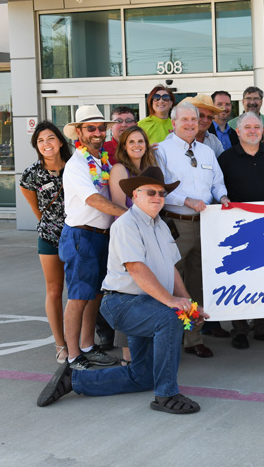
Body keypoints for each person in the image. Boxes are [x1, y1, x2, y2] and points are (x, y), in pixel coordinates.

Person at [37, 166, 209, 414]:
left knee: (141, 376)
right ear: (136, 195)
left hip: (147, 303)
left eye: (162, 193)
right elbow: (136, 269)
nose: (157, 197)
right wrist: (172, 302)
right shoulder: (126, 224)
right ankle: (166, 394)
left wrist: (190, 306)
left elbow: (171, 270)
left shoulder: (160, 225)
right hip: (122, 304)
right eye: (151, 192)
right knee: (170, 320)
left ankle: (73, 380)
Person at [156, 101, 230, 358]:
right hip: (176, 223)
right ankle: (169, 338)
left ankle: (193, 338)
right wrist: (186, 200)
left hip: (205, 225)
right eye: (184, 120)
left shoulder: (207, 152)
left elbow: (217, 182)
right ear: (174, 123)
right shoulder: (162, 151)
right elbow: (162, 187)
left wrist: (222, 198)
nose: (190, 124)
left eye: (194, 120)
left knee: (198, 283)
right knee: (171, 283)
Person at [59, 106, 126, 369]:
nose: (97, 132)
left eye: (101, 127)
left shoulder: (103, 161)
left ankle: (88, 345)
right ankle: (73, 356)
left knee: (95, 295)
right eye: (91, 128)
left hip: (102, 236)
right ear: (79, 132)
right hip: (81, 236)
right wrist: (128, 216)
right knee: (78, 297)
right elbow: (94, 199)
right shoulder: (76, 164)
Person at [218, 112, 264, 349]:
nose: (252, 130)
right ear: (237, 131)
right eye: (247, 127)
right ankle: (239, 329)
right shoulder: (225, 158)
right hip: (236, 228)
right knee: (239, 276)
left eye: (257, 126)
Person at [20, 121, 72, 364]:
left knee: (80, 292)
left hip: (78, 236)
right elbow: (36, 208)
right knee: (54, 291)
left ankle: (79, 342)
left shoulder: (76, 166)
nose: (46, 144)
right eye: (40, 140)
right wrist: (50, 226)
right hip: (49, 238)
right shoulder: (31, 174)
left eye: (50, 138)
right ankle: (60, 345)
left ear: (60, 141)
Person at [109, 125, 157, 363]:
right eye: (132, 142)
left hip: (149, 235)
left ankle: (144, 349)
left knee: (147, 291)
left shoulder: (150, 169)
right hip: (129, 236)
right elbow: (119, 207)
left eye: (141, 141)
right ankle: (127, 356)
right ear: (124, 147)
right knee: (128, 294)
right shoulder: (120, 169)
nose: (137, 146)